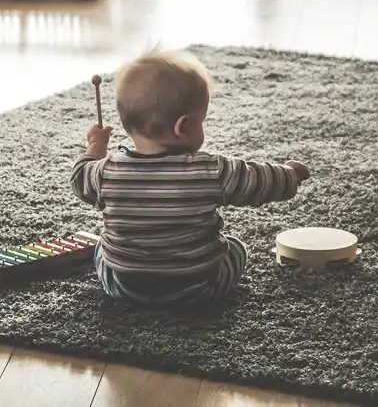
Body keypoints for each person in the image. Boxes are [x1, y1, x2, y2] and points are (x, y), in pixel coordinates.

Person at [70, 47, 310, 305]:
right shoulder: (211, 171)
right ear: (182, 126)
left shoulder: (105, 172)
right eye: (202, 120)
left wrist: (96, 147)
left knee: (100, 248)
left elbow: (79, 178)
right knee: (237, 247)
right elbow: (258, 181)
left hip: (123, 286)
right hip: (197, 287)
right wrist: (290, 174)